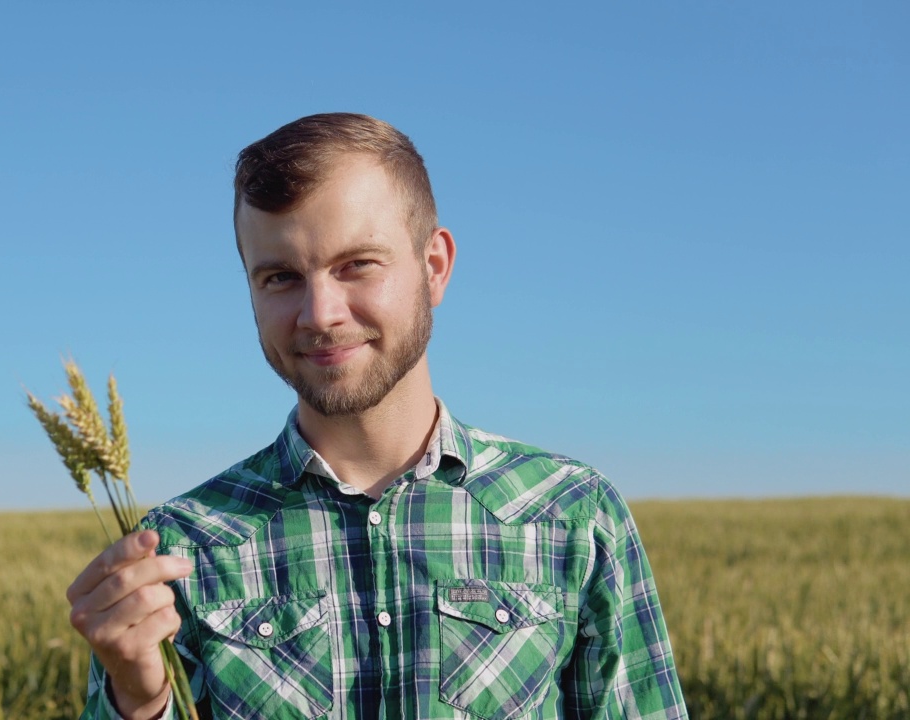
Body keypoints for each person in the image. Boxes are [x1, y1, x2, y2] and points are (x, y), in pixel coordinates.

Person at [66, 113, 688, 719]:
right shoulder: (179, 547)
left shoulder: (574, 515)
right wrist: (139, 701)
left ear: (434, 266)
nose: (319, 314)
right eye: (280, 277)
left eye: (356, 265)